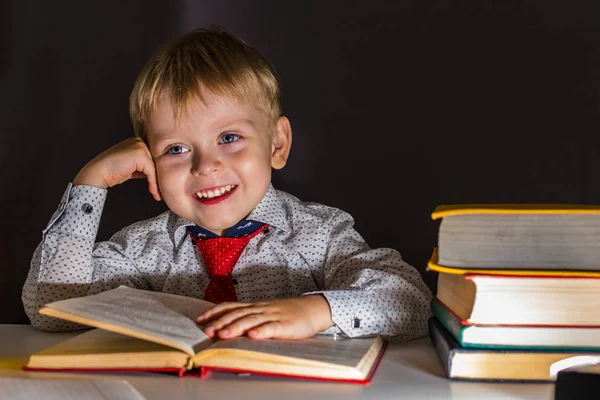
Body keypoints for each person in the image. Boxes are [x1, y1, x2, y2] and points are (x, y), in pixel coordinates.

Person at [22, 26, 432, 341]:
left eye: (229, 138)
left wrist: (316, 311)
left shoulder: (321, 235)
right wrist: (90, 185)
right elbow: (53, 310)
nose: (206, 165)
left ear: (277, 144)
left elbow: (410, 301)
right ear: (147, 162)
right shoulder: (141, 250)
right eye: (177, 149)